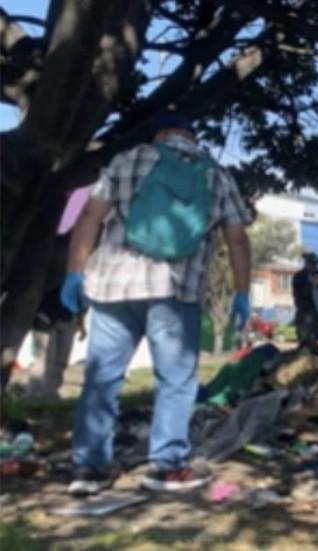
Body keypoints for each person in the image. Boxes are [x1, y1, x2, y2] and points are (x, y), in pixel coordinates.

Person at [60, 111, 253, 495]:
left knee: (101, 377)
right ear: (191, 136)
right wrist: (241, 291)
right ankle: (166, 467)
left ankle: (88, 469)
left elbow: (89, 215)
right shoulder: (215, 174)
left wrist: (75, 272)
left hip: (112, 288)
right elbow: (237, 238)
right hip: (174, 289)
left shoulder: (127, 161)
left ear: (158, 134)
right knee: (176, 381)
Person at [292, 251, 318, 344]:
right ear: (307, 264)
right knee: (306, 342)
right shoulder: (300, 276)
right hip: (305, 313)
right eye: (312, 265)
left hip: (317, 315)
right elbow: (299, 295)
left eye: (316, 265)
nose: (315, 268)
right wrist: (312, 286)